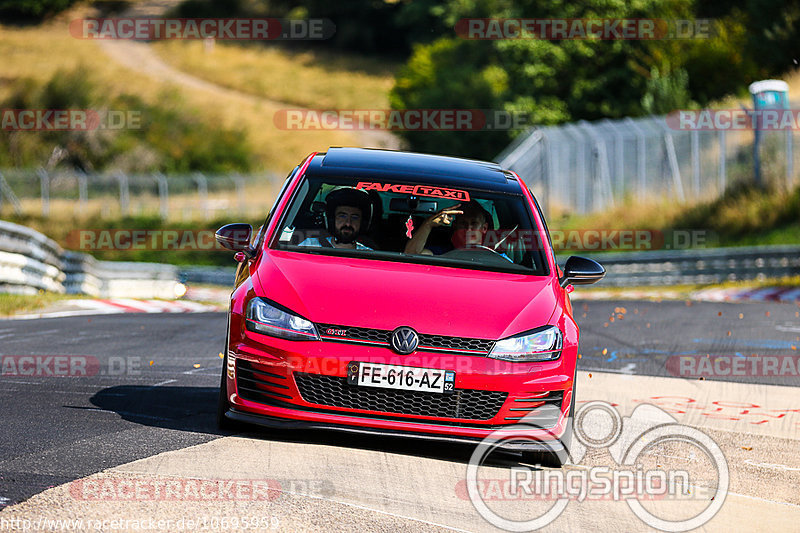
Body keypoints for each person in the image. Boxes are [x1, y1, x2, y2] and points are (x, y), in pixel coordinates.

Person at [404, 200, 494, 255]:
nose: (468, 229)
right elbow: (410, 256)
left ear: (484, 228)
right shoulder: (442, 253)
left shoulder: (498, 259)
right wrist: (428, 224)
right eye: (463, 223)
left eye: (474, 223)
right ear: (455, 226)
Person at [298, 187, 373, 250]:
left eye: (354, 217)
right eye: (342, 216)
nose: (348, 223)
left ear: (362, 223)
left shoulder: (369, 255)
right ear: (332, 219)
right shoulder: (310, 246)